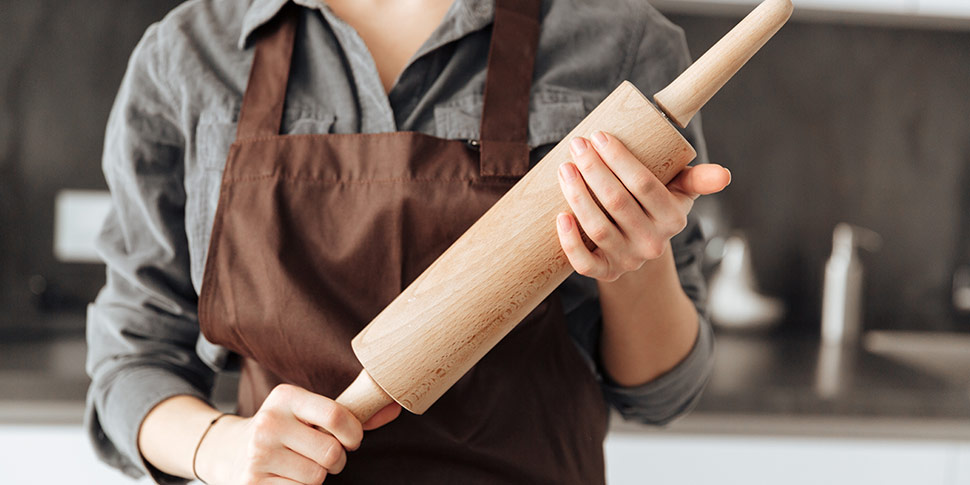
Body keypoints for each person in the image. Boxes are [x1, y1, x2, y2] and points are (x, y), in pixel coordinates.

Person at [85, 0, 730, 483]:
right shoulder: (190, 53)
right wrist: (221, 447)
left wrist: (634, 263)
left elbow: (663, 390)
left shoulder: (622, 45)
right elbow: (133, 362)